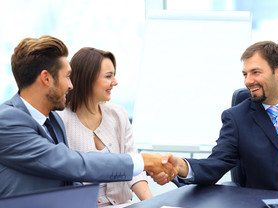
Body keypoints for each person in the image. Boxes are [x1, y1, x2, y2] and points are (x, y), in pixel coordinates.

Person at [154, 41, 278, 190]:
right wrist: (181, 165)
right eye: (245, 74)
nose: (248, 81)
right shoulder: (237, 118)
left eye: (255, 72)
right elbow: (215, 165)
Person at [0, 35, 176, 198]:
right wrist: (142, 161)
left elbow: (69, 176)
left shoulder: (52, 120)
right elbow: (71, 164)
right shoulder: (7, 122)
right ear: (46, 78)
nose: (71, 85)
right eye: (67, 77)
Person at [57, 47, 151, 208]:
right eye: (108, 76)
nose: (114, 82)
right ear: (87, 79)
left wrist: (153, 206)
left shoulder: (118, 113)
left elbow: (134, 168)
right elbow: (64, 177)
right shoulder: (60, 119)